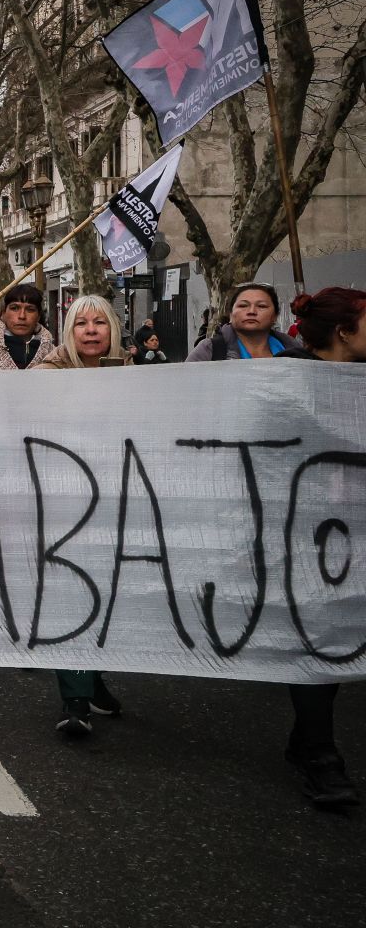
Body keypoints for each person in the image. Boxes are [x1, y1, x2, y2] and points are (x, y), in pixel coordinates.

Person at [22, 294, 129, 735]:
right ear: (68, 330)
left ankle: (93, 679)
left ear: (112, 331)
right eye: (81, 322)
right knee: (72, 592)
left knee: (108, 592)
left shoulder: (131, 373)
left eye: (99, 323)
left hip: (115, 498)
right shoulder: (47, 373)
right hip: (64, 499)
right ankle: (76, 701)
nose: (90, 330)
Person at [278, 287, 366, 807]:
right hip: (305, 532)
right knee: (318, 639)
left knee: (341, 634)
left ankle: (306, 738)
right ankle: (320, 754)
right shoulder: (285, 382)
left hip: (358, 530)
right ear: (343, 331)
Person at [186, 281, 305, 361]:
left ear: (275, 316)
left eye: (261, 306)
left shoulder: (292, 349)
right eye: (243, 306)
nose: (252, 311)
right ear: (231, 314)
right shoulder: (209, 350)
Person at [0, 283, 54, 369]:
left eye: (30, 310)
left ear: (38, 316)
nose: (22, 316)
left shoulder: (51, 353)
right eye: (14, 308)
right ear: (3, 313)